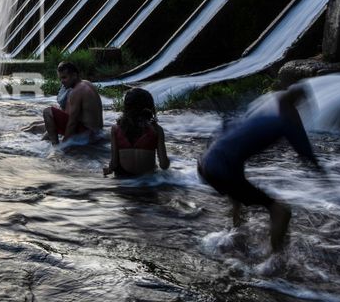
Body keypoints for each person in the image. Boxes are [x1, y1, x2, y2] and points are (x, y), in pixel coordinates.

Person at [197, 84, 323, 253]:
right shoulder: (285, 122)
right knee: (281, 211)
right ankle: (275, 262)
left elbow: (224, 130)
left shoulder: (256, 115)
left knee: (237, 195)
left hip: (206, 165)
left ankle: (234, 237)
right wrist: (325, 178)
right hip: (223, 169)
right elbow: (306, 153)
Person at [103, 87, 170, 177]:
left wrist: (108, 170)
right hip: (148, 182)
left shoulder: (116, 129)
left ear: (126, 107)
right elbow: (164, 165)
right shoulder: (156, 130)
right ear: (149, 107)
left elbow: (114, 164)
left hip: (124, 182)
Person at [41, 61, 104, 145]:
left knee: (47, 112)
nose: (62, 82)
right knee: (45, 128)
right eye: (60, 79)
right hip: (97, 133)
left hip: (87, 135)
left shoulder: (77, 91)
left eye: (64, 78)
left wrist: (63, 146)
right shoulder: (87, 83)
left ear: (74, 75)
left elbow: (72, 123)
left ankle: (55, 145)